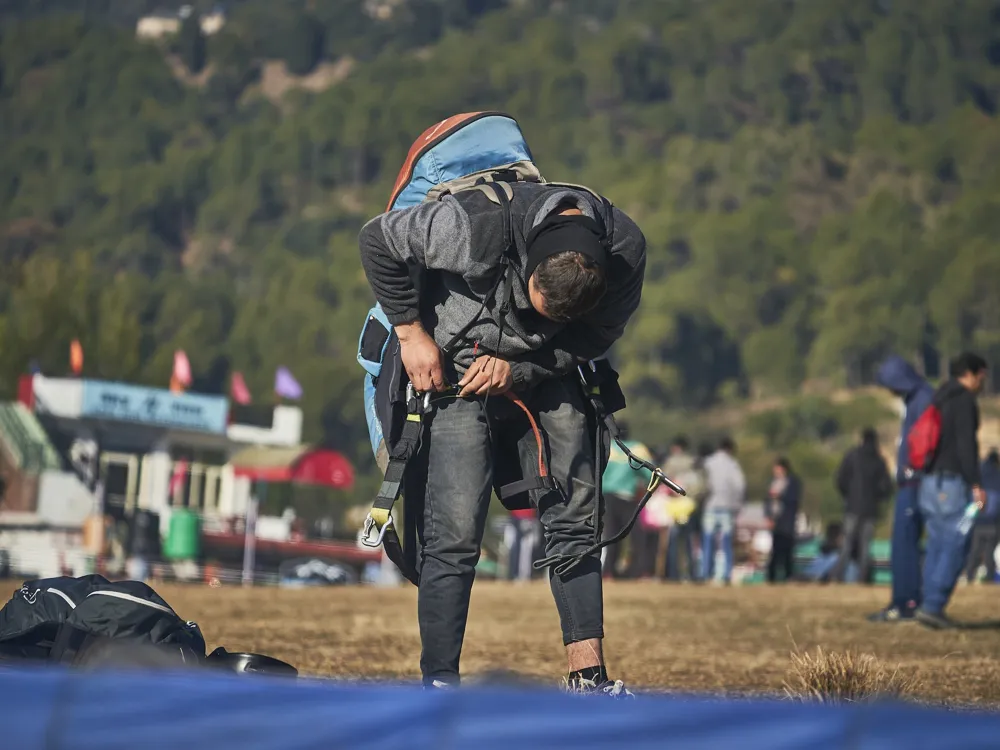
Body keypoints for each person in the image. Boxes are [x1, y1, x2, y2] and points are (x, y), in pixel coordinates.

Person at [359, 175, 645, 693]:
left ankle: (590, 678)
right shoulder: (472, 227)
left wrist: (523, 367)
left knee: (578, 521)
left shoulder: (624, 252)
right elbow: (376, 239)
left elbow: (594, 337)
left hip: (548, 373)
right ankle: (439, 683)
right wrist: (410, 332)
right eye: (536, 306)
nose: (537, 322)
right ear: (529, 264)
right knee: (455, 534)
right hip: (453, 374)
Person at [916, 352, 989, 628]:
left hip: (929, 483)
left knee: (936, 544)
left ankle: (927, 602)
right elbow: (966, 446)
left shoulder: (939, 397)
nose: (983, 383)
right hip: (952, 484)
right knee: (956, 543)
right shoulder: (964, 401)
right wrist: (977, 484)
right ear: (972, 374)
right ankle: (934, 606)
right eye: (983, 376)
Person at [868, 355, 935, 622]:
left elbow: (924, 439)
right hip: (912, 479)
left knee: (904, 543)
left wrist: (911, 468)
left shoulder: (922, 399)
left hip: (914, 481)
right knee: (904, 542)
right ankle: (906, 598)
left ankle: (905, 601)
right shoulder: (916, 398)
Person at [832, 428, 892, 583]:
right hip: (870, 509)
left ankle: (838, 576)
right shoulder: (879, 460)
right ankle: (863, 578)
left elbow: (840, 479)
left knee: (846, 544)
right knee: (865, 546)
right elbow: (887, 486)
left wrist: (847, 496)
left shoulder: (852, 456)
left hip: (852, 506)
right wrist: (877, 498)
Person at [601, 424, 653, 579]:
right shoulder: (637, 448)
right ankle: (638, 572)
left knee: (611, 536)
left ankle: (609, 572)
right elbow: (649, 473)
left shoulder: (606, 445)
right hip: (628, 497)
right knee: (637, 536)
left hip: (607, 497)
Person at [701, 437, 746, 584]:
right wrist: (737, 505)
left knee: (708, 542)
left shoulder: (708, 463)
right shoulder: (733, 465)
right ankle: (726, 575)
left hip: (710, 506)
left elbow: (702, 484)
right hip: (727, 508)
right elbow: (740, 486)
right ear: (730, 449)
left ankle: (706, 573)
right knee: (726, 543)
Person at [661, 436, 704, 581]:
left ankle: (673, 574)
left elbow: (663, 480)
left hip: (674, 507)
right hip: (689, 507)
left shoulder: (671, 462)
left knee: (673, 542)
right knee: (689, 542)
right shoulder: (693, 462)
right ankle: (692, 574)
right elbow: (701, 486)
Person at [965, 449, 1000, 584]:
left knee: (975, 550)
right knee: (989, 550)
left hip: (978, 519)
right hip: (993, 521)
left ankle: (969, 574)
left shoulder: (978, 474)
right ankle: (990, 576)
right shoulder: (997, 476)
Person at [766, 457, 801, 583]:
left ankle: (788, 576)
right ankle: (771, 578)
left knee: (787, 551)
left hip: (787, 522)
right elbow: (767, 501)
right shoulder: (773, 482)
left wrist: (779, 496)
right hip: (775, 522)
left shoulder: (793, 482)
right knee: (775, 551)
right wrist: (768, 517)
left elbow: (793, 499)